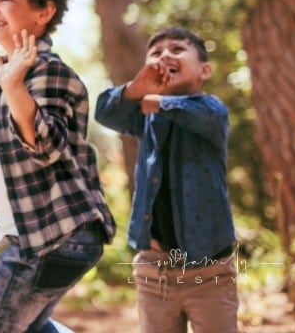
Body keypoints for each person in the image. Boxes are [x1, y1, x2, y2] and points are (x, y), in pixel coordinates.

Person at [0, 0, 115, 333]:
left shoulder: (47, 70)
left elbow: (45, 147)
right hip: (44, 238)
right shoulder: (3, 76)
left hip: (53, 237)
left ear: (44, 11)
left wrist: (15, 86)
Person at [95, 26, 238, 333]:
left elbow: (202, 113)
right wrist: (136, 89)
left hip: (209, 271)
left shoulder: (212, 111)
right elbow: (104, 112)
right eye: (156, 52)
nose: (165, 55)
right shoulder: (145, 116)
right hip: (154, 269)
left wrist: (160, 101)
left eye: (176, 49)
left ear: (204, 70)